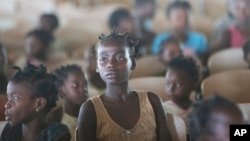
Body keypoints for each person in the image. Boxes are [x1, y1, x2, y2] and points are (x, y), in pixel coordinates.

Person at [77, 28, 172, 141]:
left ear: (132, 63)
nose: (111, 64)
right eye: (103, 59)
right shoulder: (90, 109)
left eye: (120, 58)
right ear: (97, 66)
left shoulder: (152, 102)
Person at [1, 63, 71, 141]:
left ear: (39, 104)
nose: (7, 105)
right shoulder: (10, 131)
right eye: (8, 97)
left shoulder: (56, 133)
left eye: (15, 97)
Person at [47, 64, 89, 141]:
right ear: (61, 90)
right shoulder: (56, 120)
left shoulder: (95, 115)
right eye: (75, 85)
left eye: (85, 84)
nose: (83, 89)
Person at [164, 56, 200, 131]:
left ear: (193, 85)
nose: (170, 89)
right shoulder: (163, 110)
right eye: (167, 84)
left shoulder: (199, 109)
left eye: (178, 85)